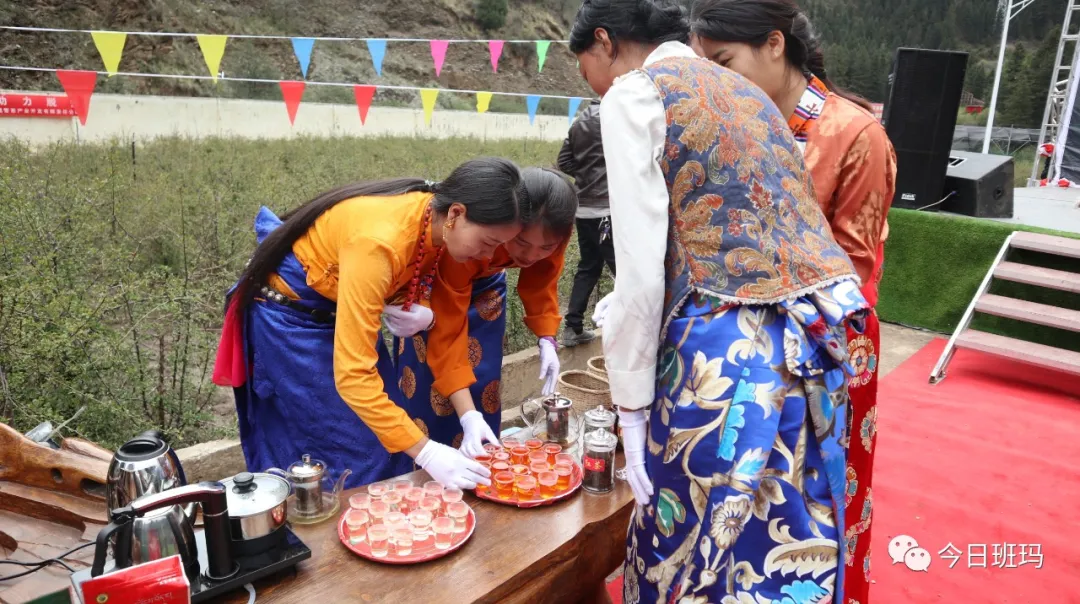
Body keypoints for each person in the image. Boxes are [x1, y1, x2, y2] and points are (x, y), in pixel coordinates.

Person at [571, 1, 868, 602]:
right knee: (788, 527)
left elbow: (640, 268)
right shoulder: (748, 93)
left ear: (604, 42)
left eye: (586, 69)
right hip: (819, 336)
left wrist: (631, 406)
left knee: (689, 539)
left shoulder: (636, 94)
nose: (593, 85)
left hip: (727, 346)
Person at [689, 3, 897, 600]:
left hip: (826, 346)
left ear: (775, 45)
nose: (717, 81)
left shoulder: (855, 135)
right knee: (735, 494)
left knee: (816, 501)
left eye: (725, 62)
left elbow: (855, 266)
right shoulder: (727, 124)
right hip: (738, 344)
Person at [211, 158, 530, 491]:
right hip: (294, 325)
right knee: (353, 449)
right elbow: (353, 377)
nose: (487, 257)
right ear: (456, 214)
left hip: (339, 313)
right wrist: (428, 452)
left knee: (387, 435)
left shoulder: (432, 222)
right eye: (488, 243)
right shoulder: (379, 243)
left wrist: (468, 414)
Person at [394, 168, 578, 459]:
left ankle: (485, 457)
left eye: (546, 247)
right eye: (522, 243)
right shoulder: (468, 247)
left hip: (486, 293)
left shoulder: (552, 233)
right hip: (437, 292)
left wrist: (546, 338)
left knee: (483, 382)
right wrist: (468, 416)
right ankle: (429, 460)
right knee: (432, 387)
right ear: (508, 224)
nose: (531, 256)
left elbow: (542, 281)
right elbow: (448, 329)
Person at [557, 99, 617, 347]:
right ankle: (630, 328)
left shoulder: (579, 120)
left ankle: (573, 326)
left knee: (589, 266)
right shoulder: (617, 116)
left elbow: (564, 161)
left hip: (583, 210)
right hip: (607, 211)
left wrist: (585, 177)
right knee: (624, 270)